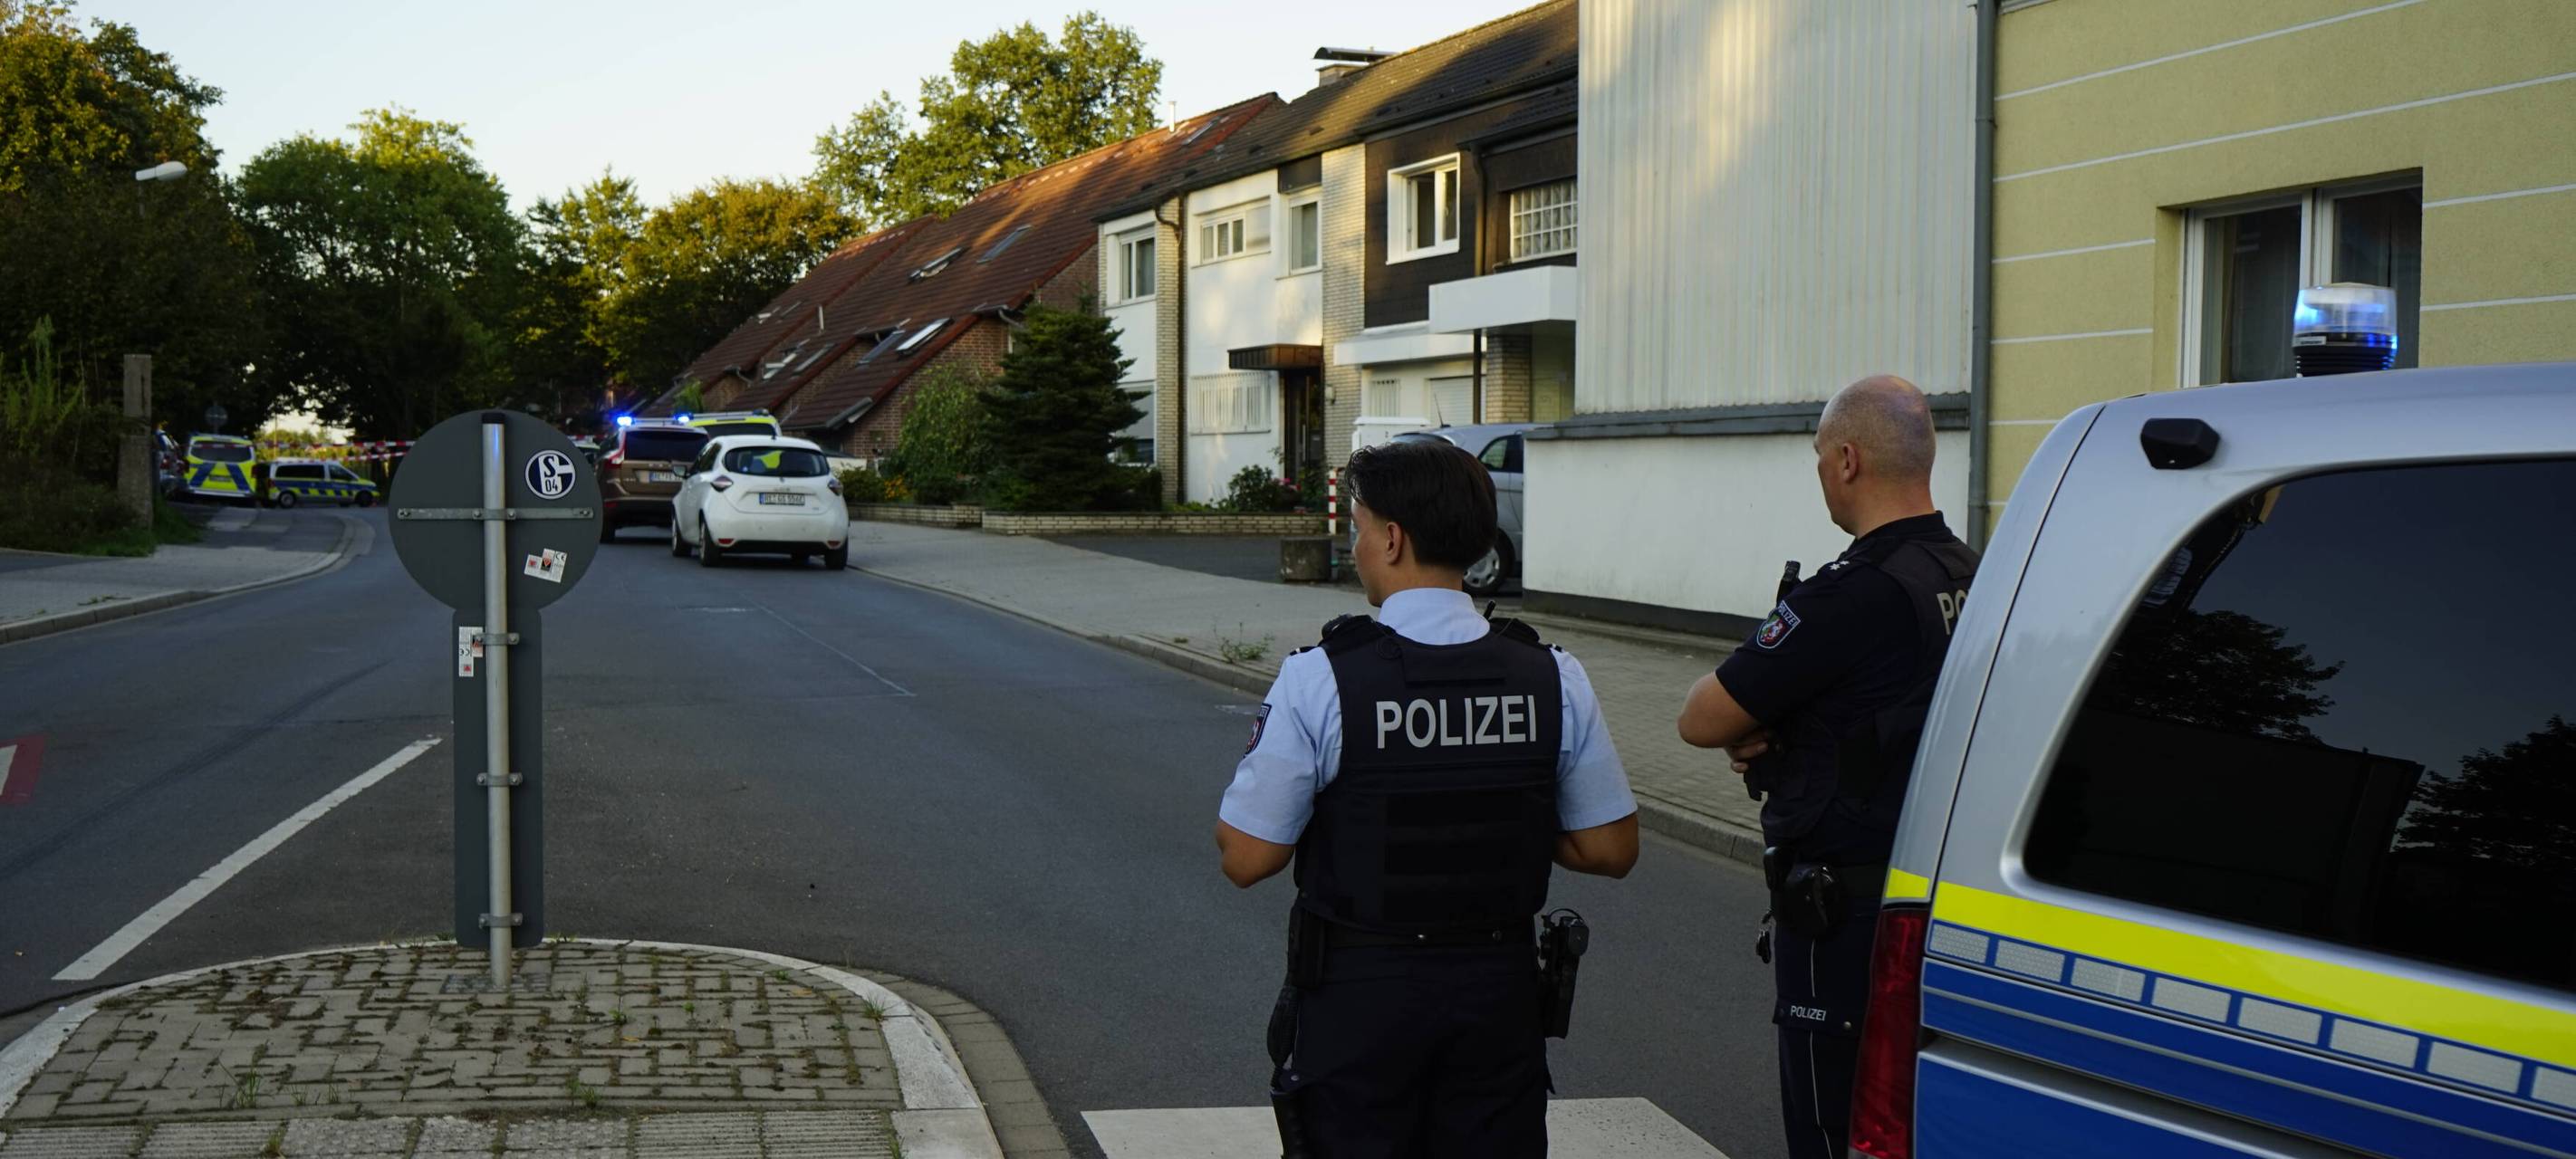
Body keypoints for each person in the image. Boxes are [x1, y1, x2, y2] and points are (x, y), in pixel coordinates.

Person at [1216, 436, 1639, 1158]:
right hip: (1496, 1001)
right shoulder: (1552, 677)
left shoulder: (1321, 679)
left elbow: (1248, 856)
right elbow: (1609, 848)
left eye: (1356, 528)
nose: (1354, 547)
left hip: (1361, 1000)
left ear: (1391, 537)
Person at [1676, 374, 1978, 1159]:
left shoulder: (1852, 593)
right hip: (1944, 890)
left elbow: (1701, 717)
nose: (1818, 470)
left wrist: (1771, 720)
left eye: (1817, 454)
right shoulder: (1971, 571)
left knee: (1832, 1128)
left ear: (1847, 460)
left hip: (1847, 910)